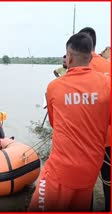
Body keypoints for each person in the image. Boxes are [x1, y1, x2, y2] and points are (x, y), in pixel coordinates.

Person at [28, 33, 110, 211]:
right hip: (91, 170)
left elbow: (54, 122)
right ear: (91, 57)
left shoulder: (54, 87)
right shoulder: (107, 85)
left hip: (60, 169)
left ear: (69, 56)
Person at [79, 26, 111, 212]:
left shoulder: (80, 67)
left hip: (86, 140)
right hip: (108, 138)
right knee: (108, 181)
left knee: (85, 185)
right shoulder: (108, 66)